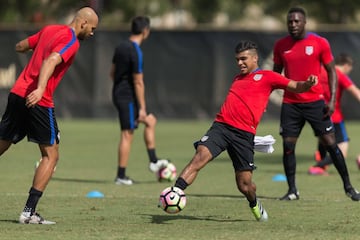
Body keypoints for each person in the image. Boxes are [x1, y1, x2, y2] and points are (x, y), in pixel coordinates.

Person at [172, 40, 317, 222]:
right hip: (221, 127)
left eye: (243, 59)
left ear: (255, 58)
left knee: (245, 185)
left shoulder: (268, 76)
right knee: (200, 156)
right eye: (237, 60)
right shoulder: (237, 78)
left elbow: (295, 86)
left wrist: (308, 83)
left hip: (243, 136)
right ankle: (174, 192)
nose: (239, 63)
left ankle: (254, 203)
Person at [0, 7, 98, 224]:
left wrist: (28, 51)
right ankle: (29, 212)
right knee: (51, 156)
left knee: (3, 144)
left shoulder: (50, 29)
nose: (92, 33)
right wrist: (41, 88)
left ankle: (29, 212)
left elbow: (20, 45)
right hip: (39, 101)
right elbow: (50, 61)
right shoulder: (72, 41)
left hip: (17, 93)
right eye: (92, 28)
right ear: (82, 23)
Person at [273, 6, 360, 201]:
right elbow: (275, 74)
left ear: (305, 22)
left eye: (297, 21)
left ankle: (349, 187)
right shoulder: (280, 45)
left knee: (331, 144)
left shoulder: (320, 43)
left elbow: (332, 72)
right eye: (290, 21)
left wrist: (330, 100)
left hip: (315, 103)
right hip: (291, 104)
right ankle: (292, 190)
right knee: (288, 146)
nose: (293, 24)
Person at [110, 16, 169, 185]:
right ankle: (121, 176)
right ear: (145, 31)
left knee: (151, 121)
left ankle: (153, 161)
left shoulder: (121, 46)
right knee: (127, 134)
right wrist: (142, 107)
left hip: (120, 93)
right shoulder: (135, 51)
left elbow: (112, 73)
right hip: (127, 97)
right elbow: (138, 81)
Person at [308, 53, 360, 175]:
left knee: (324, 141)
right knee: (342, 150)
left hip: (317, 114)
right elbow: (356, 93)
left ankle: (320, 167)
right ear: (347, 65)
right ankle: (317, 167)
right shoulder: (339, 75)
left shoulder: (320, 71)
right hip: (334, 116)